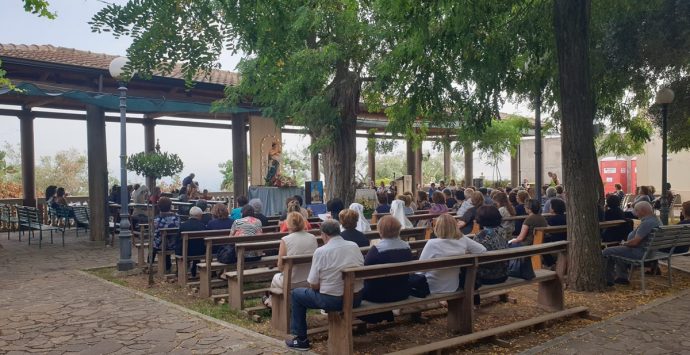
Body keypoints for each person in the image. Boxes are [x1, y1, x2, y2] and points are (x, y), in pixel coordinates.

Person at [286, 219, 364, 351]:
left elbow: (313, 284)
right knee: (306, 292)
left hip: (334, 300)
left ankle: (301, 339)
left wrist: (323, 285)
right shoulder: (353, 246)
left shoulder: (321, 251)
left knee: (296, 294)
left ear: (325, 235)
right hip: (356, 298)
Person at [359, 216, 412, 323]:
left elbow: (364, 273)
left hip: (378, 295)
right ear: (398, 230)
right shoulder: (406, 248)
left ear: (381, 231)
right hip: (402, 291)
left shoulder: (376, 250)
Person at [419, 214, 486, 294]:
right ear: (455, 226)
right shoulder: (462, 239)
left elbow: (420, 270)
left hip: (432, 287)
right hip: (453, 286)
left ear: (437, 227)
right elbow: (482, 250)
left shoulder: (432, 244)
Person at [263, 212, 319, 308]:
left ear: (288, 224)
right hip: (310, 280)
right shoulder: (313, 238)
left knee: (276, 277)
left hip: (291, 281)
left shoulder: (285, 240)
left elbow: (280, 267)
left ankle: (273, 303)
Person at [602, 201, 660, 285]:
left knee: (607, 251)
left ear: (643, 211)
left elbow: (635, 243)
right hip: (651, 252)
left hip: (640, 252)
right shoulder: (656, 220)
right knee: (619, 251)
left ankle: (607, 279)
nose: (635, 213)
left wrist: (624, 244)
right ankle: (622, 277)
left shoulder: (647, 223)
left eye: (636, 211)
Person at [473, 206, 509, 304]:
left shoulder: (480, 236)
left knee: (466, 271)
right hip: (504, 274)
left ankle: (475, 303)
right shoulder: (503, 231)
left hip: (486, 278)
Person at [151, 197, 180, 272]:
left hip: (160, 244)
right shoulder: (176, 218)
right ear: (170, 206)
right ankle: (168, 266)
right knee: (166, 239)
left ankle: (149, 264)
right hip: (174, 244)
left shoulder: (157, 219)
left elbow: (154, 231)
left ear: (159, 207)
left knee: (153, 243)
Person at [177, 206, 207, 277]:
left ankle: (181, 270)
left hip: (185, 251)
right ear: (200, 216)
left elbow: (178, 239)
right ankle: (194, 268)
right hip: (200, 251)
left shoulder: (183, 226)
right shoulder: (202, 226)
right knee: (197, 244)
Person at [543, 198, 567, 267]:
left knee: (540, 243)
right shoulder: (567, 217)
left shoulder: (550, 220)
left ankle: (551, 263)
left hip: (555, 240)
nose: (549, 207)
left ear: (553, 209)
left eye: (550, 206)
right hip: (566, 239)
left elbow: (546, 231)